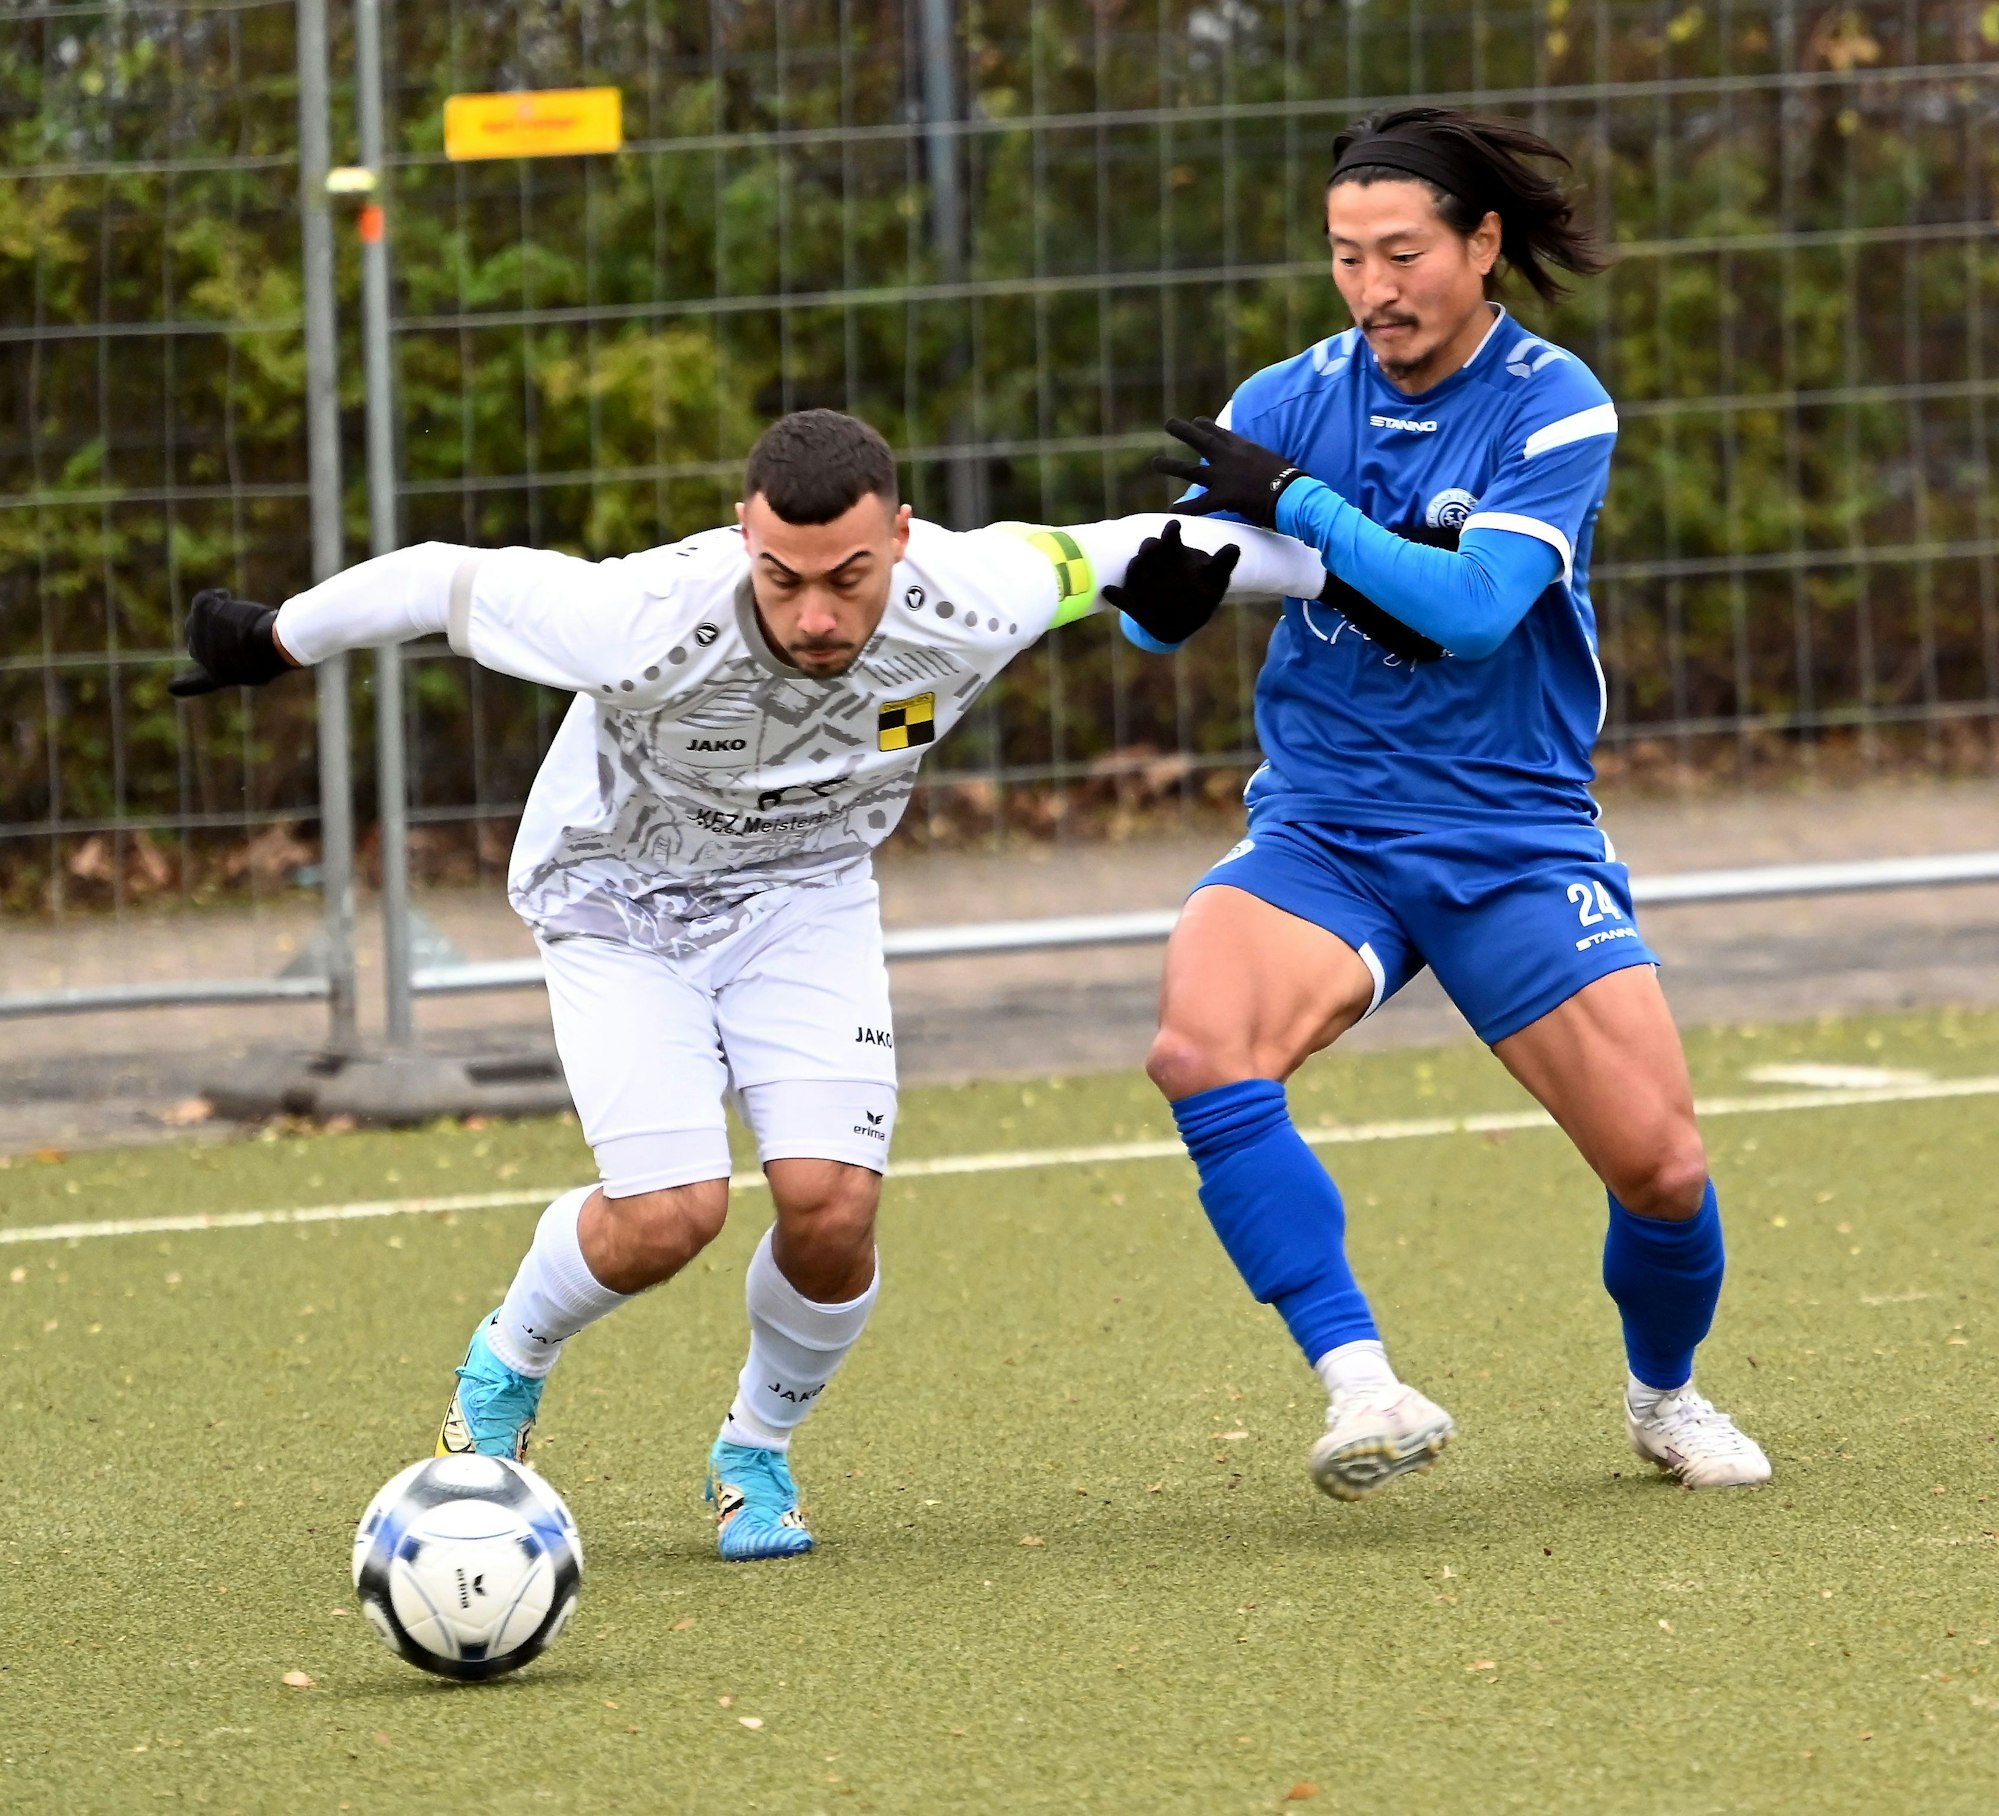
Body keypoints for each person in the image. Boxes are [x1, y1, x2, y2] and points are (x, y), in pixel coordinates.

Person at [168, 408, 1336, 1559]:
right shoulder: (637, 615)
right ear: (742, 539)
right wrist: (276, 637)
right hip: (614, 900)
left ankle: (754, 1452)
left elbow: (1141, 552)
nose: (816, 615)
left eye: (849, 577)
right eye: (781, 579)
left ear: (904, 538)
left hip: (804, 899)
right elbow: (438, 580)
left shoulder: (984, 590)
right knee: (670, 1216)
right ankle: (503, 1369)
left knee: (832, 1207)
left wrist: (1346, 568)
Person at [1119, 107, 1771, 1498]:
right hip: (1325, 827)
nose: (1371, 290)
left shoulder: (1550, 400)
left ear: (1480, 246)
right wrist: (1159, 602)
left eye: (1400, 253)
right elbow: (1165, 602)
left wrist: (1298, 507)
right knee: (1197, 1044)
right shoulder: (1284, 395)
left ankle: (1661, 1397)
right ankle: (1358, 1383)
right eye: (1345, 257)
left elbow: (1474, 612)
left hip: (1506, 837)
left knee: (1658, 1169)